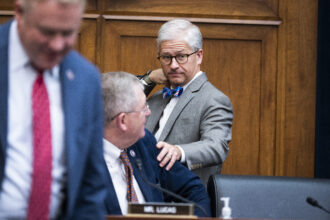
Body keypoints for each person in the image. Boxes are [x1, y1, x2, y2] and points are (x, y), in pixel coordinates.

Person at [0, 0, 107, 219]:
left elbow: (90, 184)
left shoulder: (86, 79)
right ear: (19, 12)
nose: (57, 45)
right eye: (47, 32)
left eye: (68, 33)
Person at [101, 71, 211, 217]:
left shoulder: (144, 143)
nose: (149, 113)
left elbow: (193, 190)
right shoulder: (78, 164)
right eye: (143, 108)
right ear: (122, 121)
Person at [140, 19, 234, 185]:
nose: (173, 65)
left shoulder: (214, 99)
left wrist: (178, 151)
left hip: (185, 201)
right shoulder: (155, 98)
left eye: (181, 56)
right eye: (166, 57)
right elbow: (115, 105)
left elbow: (217, 147)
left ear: (199, 56)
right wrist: (148, 79)